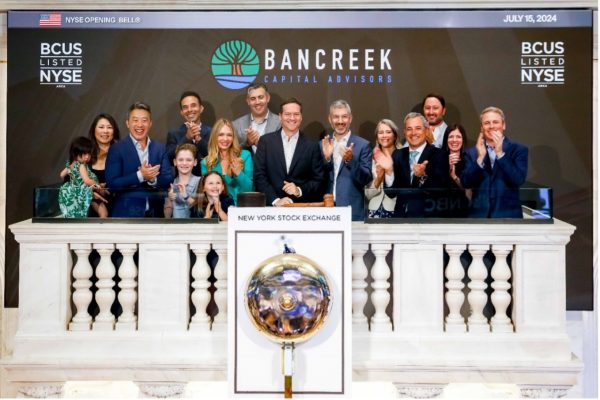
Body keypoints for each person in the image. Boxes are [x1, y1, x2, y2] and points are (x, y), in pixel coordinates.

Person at [106, 101, 173, 218]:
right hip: (126, 215)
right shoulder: (117, 149)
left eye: (144, 120)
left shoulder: (160, 148)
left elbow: (168, 178)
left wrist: (153, 179)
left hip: (155, 215)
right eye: (135, 120)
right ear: (127, 123)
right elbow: (112, 183)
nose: (140, 125)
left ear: (150, 123)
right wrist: (140, 176)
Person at [254, 98, 325, 206]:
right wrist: (276, 201)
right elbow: (259, 176)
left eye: (296, 114)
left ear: (301, 117)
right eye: (287, 114)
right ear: (280, 116)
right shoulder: (265, 142)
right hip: (271, 209)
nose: (292, 118)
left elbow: (318, 180)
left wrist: (298, 190)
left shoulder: (312, 145)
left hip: (300, 209)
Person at [461, 106, 528, 218]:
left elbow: (518, 179)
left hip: (508, 218)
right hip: (479, 218)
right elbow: (466, 182)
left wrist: (500, 154)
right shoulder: (472, 153)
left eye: (495, 122)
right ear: (482, 128)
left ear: (503, 125)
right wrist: (480, 158)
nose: (491, 126)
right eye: (487, 123)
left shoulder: (518, 150)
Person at [375, 112, 446, 217]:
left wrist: (423, 176)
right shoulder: (398, 154)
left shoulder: (439, 154)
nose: (413, 133)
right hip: (401, 219)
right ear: (404, 132)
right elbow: (391, 193)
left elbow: (442, 190)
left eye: (418, 128)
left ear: (426, 131)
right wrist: (389, 172)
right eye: (409, 129)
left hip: (427, 219)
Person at [321, 100, 372, 221]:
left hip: (351, 211)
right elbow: (317, 179)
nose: (340, 121)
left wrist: (350, 160)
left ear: (350, 119)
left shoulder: (362, 145)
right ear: (330, 119)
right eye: (336, 117)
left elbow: (366, 179)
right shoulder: (322, 145)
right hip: (324, 211)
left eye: (344, 117)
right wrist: (327, 159)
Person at [201, 118, 253, 204]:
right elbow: (207, 193)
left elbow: (249, 189)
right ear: (214, 136)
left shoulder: (245, 155)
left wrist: (239, 173)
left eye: (229, 135)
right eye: (221, 135)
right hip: (218, 210)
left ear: (233, 137)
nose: (225, 139)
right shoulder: (206, 162)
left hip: (243, 208)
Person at [59, 136, 108, 218]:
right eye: (84, 154)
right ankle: (101, 229)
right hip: (86, 192)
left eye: (89, 154)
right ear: (75, 153)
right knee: (104, 213)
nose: (87, 157)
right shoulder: (81, 165)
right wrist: (97, 184)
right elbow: (87, 180)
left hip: (77, 193)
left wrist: (73, 181)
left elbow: (61, 175)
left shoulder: (71, 164)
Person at [166, 91, 211, 175]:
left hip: (208, 184)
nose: (189, 110)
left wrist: (199, 140)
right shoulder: (173, 134)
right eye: (185, 107)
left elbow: (215, 158)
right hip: (183, 184)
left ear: (201, 108)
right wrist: (186, 138)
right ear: (182, 112)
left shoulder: (211, 132)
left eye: (193, 105)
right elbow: (169, 159)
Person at [366, 119, 401, 218]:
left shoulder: (403, 155)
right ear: (377, 137)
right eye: (381, 132)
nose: (384, 135)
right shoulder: (371, 158)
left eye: (388, 132)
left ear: (395, 136)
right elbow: (367, 195)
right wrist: (378, 179)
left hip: (396, 209)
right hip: (373, 210)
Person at [233, 83, 281, 154]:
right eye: (253, 99)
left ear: (268, 98)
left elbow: (284, 152)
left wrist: (261, 144)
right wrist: (248, 143)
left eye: (261, 97)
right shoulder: (236, 124)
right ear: (248, 101)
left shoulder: (280, 122)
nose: (257, 102)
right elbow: (231, 152)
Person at [87, 113, 120, 216]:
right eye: (101, 127)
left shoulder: (122, 152)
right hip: (89, 212)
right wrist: (89, 193)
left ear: (114, 131)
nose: (105, 131)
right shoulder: (84, 153)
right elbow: (71, 182)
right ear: (94, 130)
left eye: (109, 127)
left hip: (118, 210)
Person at [439, 124, 470, 217]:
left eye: (458, 137)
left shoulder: (469, 159)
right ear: (446, 139)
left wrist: (454, 177)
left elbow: (470, 190)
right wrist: (447, 167)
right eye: (451, 136)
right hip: (440, 208)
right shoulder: (438, 159)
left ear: (463, 139)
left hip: (463, 209)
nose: (454, 140)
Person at [164, 144, 201, 218]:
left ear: (195, 162)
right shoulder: (171, 183)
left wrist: (186, 196)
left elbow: (201, 211)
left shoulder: (200, 182)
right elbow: (167, 217)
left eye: (188, 160)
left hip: (195, 228)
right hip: (176, 228)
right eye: (180, 160)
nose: (184, 163)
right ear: (175, 162)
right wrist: (170, 200)